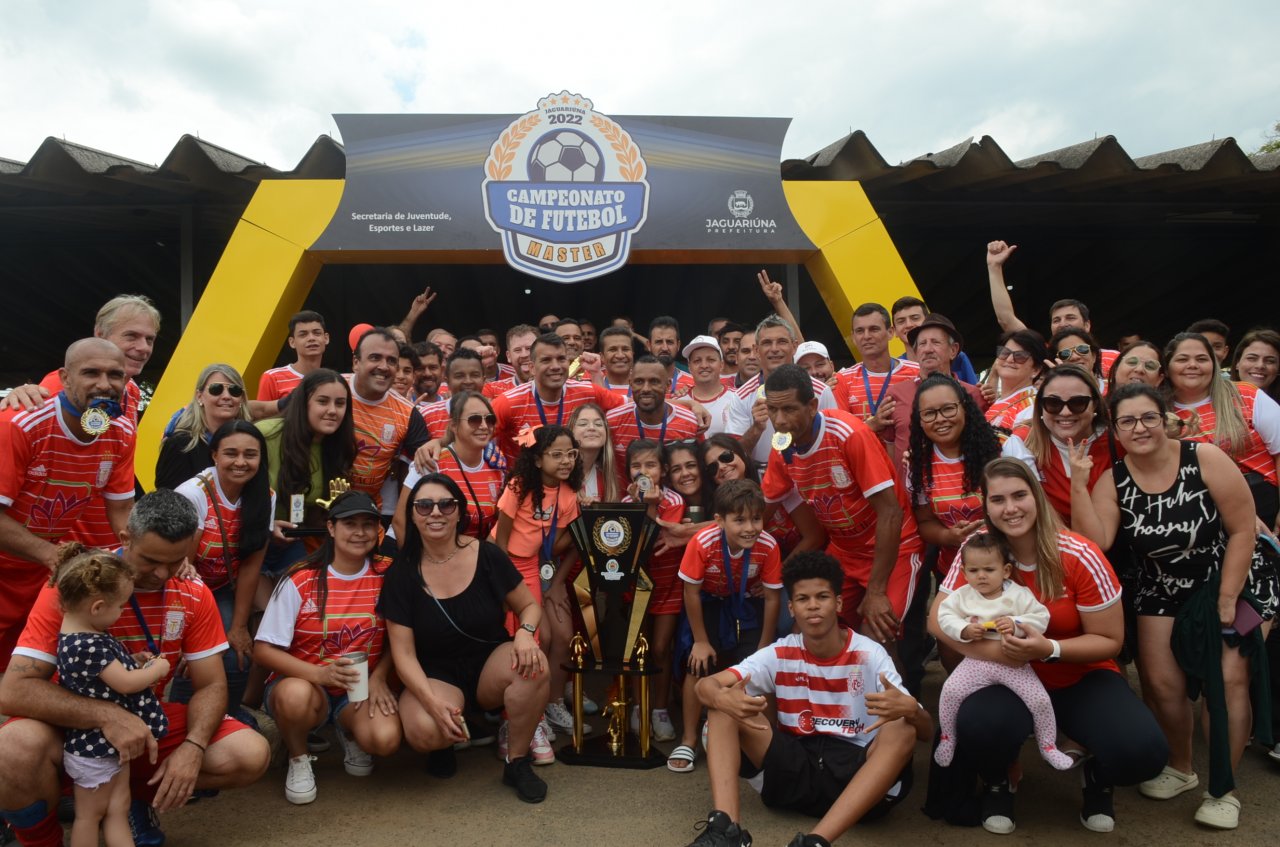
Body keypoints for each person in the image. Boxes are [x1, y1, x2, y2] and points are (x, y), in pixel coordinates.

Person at [0, 490, 270, 847]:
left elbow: (211, 685)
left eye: (175, 561)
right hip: (65, 729)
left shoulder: (192, 590)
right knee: (11, 749)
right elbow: (13, 691)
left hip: (143, 723)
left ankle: (131, 799)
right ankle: (41, 839)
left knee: (250, 753)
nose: (162, 574)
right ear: (125, 537)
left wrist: (193, 746)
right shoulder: (78, 584)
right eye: (151, 560)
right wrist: (104, 714)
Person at [1071, 383, 1278, 829]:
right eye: (1127, 421)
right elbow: (1097, 541)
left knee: (1227, 678)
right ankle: (1182, 768)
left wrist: (1227, 597)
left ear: (1165, 419)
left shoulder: (1203, 458)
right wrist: (1077, 480)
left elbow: (1244, 530)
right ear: (1116, 430)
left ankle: (1223, 787)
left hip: (1232, 579)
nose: (1139, 427)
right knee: (1162, 685)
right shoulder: (1114, 478)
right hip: (1160, 587)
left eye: (1148, 417)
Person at [925, 458, 1165, 835]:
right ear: (985, 505)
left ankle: (1097, 775)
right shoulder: (979, 549)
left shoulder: (1078, 552)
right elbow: (937, 619)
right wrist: (1002, 656)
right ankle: (998, 778)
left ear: (1037, 495)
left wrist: (1047, 649)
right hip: (1004, 678)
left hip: (1078, 676)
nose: (1010, 508)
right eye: (998, 499)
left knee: (1142, 753)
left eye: (1020, 495)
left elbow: (1110, 641)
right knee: (978, 725)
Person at [685, 551, 929, 847]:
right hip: (793, 769)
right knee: (722, 702)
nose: (813, 606)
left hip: (855, 775)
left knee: (902, 727)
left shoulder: (869, 654)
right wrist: (718, 696)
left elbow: (928, 731)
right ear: (792, 607)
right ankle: (726, 831)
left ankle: (815, 842)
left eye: (822, 596)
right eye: (802, 599)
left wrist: (912, 711)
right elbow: (706, 686)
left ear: (838, 603)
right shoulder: (780, 652)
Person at [380, 473, 551, 802]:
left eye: (446, 504)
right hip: (437, 674)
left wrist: (526, 634)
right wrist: (431, 704)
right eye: (424, 505)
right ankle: (443, 743)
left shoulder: (486, 554)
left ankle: (517, 761)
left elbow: (529, 606)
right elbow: (403, 656)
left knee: (535, 665)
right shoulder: (401, 573)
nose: (435, 513)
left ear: (459, 512)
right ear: (413, 515)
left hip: (489, 663)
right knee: (423, 731)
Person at [760, 365, 924, 647]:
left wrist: (875, 591)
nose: (779, 420)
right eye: (773, 410)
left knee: (875, 638)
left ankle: (898, 691)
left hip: (895, 550)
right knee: (807, 633)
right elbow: (763, 508)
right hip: (845, 552)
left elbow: (890, 512)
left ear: (812, 406)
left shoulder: (849, 434)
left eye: (788, 409)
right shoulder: (782, 447)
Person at [254, 491, 402, 804]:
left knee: (385, 740)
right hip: (306, 685)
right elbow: (264, 651)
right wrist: (321, 675)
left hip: (359, 689)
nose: (360, 532)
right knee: (294, 697)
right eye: (350, 523)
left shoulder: (388, 573)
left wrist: (379, 677)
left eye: (367, 524)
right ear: (331, 529)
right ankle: (298, 756)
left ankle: (348, 733)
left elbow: (401, 637)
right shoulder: (300, 577)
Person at [0, 338, 136, 670]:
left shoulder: (120, 430)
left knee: (23, 672)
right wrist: (54, 555)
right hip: (21, 563)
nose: (104, 384)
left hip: (39, 573)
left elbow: (121, 510)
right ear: (64, 377)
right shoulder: (19, 424)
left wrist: (141, 554)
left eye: (115, 375)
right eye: (91, 372)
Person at [51, 548, 169, 847]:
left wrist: (133, 659)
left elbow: (106, 672)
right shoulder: (87, 643)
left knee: (118, 809)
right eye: (120, 606)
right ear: (97, 606)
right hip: (94, 749)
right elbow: (126, 684)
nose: (122, 612)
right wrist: (158, 669)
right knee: (90, 815)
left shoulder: (82, 635)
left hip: (107, 745)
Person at [669, 479, 782, 776]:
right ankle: (689, 739)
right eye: (740, 520)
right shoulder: (703, 541)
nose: (750, 528)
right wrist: (701, 641)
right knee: (699, 665)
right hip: (707, 602)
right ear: (719, 520)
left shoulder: (768, 545)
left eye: (756, 519)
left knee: (759, 670)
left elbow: (772, 598)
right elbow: (690, 592)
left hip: (745, 604)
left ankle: (771, 740)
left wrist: (764, 647)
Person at [933, 533, 1072, 770]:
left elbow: (1041, 617)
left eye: (989, 569)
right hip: (975, 662)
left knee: (1039, 700)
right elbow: (944, 616)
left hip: (1013, 663)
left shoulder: (1018, 594)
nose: (982, 576)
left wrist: (1017, 624)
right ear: (964, 573)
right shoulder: (962, 595)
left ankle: (1048, 745)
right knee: (950, 691)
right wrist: (964, 630)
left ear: (1005, 570)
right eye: (974, 570)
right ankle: (948, 738)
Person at [173, 421, 275, 715]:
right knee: (195, 655)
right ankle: (181, 713)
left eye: (250, 455)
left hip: (222, 587)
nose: (241, 462)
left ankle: (228, 715)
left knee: (239, 649)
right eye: (231, 453)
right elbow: (182, 569)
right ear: (214, 455)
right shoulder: (193, 494)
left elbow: (251, 566)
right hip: (185, 588)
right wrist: (189, 632)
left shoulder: (265, 496)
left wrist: (239, 627)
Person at [495, 425, 583, 748]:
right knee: (517, 636)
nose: (566, 461)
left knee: (536, 636)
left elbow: (569, 541)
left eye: (571, 454)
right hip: (504, 565)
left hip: (533, 565)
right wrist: (503, 589)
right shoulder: (518, 487)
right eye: (556, 454)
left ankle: (539, 713)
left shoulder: (568, 494)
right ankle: (514, 720)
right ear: (536, 459)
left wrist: (557, 582)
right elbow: (500, 541)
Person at [1165, 332, 1280, 528]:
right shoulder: (1157, 411)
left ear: (1214, 365)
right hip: (1195, 513)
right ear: (1167, 368)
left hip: (1261, 502)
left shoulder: (1246, 394)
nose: (1193, 365)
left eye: (1202, 359)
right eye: (1182, 359)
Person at [622, 439, 686, 742]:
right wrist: (640, 504)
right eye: (637, 465)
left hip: (670, 582)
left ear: (662, 470)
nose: (643, 471)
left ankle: (659, 708)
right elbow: (630, 548)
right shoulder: (624, 504)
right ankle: (639, 706)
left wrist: (649, 505)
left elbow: (652, 541)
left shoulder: (674, 501)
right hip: (636, 586)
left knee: (660, 647)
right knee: (637, 647)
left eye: (650, 465)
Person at [906, 374, 1002, 574]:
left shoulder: (1002, 449)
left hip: (1006, 565)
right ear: (920, 420)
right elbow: (924, 522)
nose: (940, 419)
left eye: (948, 409)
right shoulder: (918, 463)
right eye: (929, 413)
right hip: (954, 570)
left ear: (965, 408)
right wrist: (947, 536)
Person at [985, 240, 1119, 376]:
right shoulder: (1045, 355)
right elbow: (1006, 319)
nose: (1063, 324)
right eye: (1056, 320)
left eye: (1070, 318)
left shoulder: (1115, 358)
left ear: (1087, 325)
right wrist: (994, 267)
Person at [490, 332, 624, 466]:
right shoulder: (509, 402)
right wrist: (488, 450)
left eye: (561, 359)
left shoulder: (588, 392)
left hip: (573, 481)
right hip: (525, 484)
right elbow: (476, 433)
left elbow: (629, 407)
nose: (555, 366)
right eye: (546, 360)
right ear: (532, 368)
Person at [1002, 364, 1112, 526]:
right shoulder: (1022, 443)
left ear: (1095, 404)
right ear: (1040, 407)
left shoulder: (1118, 439)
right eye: (1053, 403)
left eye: (1078, 402)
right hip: (1054, 543)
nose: (1065, 412)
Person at [394, 390, 506, 544]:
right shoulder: (431, 462)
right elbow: (400, 522)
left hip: (476, 558)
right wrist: (415, 564)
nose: (484, 426)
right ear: (454, 425)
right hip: (431, 557)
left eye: (490, 420)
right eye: (474, 420)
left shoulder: (496, 464)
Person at [725, 316, 837, 467]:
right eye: (767, 343)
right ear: (757, 350)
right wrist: (756, 428)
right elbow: (733, 456)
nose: (774, 349)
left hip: (810, 475)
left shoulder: (820, 391)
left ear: (795, 346)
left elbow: (834, 443)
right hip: (763, 481)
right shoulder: (741, 396)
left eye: (782, 341)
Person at [702, 433, 824, 562]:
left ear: (741, 453)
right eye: (712, 468)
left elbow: (814, 537)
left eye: (726, 457)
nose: (721, 467)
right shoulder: (719, 507)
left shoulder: (776, 479)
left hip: (807, 564)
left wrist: (780, 575)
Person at [883, 314, 987, 464]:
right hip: (909, 486)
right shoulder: (895, 394)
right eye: (922, 344)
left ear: (953, 350)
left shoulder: (975, 395)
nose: (927, 349)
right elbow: (891, 447)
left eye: (935, 342)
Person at [348, 328, 431, 508]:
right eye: (375, 357)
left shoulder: (407, 413)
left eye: (391, 361)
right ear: (356, 362)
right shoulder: (330, 389)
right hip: (316, 514)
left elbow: (428, 464)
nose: (384, 366)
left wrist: (439, 443)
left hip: (368, 514)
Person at [606, 355, 701, 485]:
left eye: (654, 381)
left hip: (674, 502)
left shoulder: (689, 422)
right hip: (626, 503)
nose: (646, 389)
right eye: (639, 381)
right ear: (630, 383)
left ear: (667, 385)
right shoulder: (612, 421)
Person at [155, 364, 250, 490]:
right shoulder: (180, 445)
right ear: (199, 396)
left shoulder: (252, 444)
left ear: (242, 399)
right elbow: (167, 502)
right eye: (216, 389)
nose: (227, 396)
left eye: (235, 390)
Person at [832, 303, 919, 431]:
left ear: (890, 332)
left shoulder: (917, 372)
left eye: (874, 329)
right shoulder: (842, 380)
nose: (866, 336)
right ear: (854, 338)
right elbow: (841, 435)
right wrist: (870, 426)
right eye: (860, 331)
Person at [889, 295, 979, 383]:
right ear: (895, 331)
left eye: (915, 318)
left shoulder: (957, 358)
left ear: (927, 322)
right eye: (901, 321)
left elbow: (974, 392)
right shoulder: (895, 367)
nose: (908, 325)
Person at [983, 329, 1050, 431]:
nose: (1009, 359)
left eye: (1020, 356)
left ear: (1036, 370)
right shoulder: (998, 401)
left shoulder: (1033, 406)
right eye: (1005, 353)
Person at [257, 311, 330, 402]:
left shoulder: (333, 380)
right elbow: (262, 413)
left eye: (317, 333)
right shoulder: (272, 378)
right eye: (303, 334)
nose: (311, 338)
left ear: (326, 338)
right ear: (292, 342)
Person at [569, 402, 620, 505]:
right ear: (570, 431)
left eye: (598, 424)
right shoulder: (561, 474)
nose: (592, 428)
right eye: (583, 424)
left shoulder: (606, 478)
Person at [684, 336, 733, 436]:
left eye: (710, 359)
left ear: (721, 365)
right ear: (689, 367)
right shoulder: (679, 401)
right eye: (697, 361)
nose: (704, 365)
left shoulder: (738, 398)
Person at [484, 324, 538, 397]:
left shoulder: (556, 386)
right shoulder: (492, 389)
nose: (524, 355)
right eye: (517, 350)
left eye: (529, 348)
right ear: (508, 356)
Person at [649, 316, 696, 397]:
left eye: (670, 342)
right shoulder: (635, 382)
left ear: (678, 345)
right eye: (659, 342)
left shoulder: (693, 384)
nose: (664, 348)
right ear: (649, 345)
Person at [1049, 326, 1105, 392]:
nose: (1075, 357)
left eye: (1081, 349)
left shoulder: (1114, 388)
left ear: (1093, 356)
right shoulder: (1052, 396)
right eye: (1065, 353)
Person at [1231, 328, 1280, 402]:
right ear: (1237, 362)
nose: (1260, 365)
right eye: (1251, 358)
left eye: (1270, 361)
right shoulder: (1215, 402)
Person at [598, 325, 637, 394]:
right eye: (613, 350)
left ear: (633, 353)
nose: (620, 355)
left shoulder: (645, 389)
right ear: (602, 357)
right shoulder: (592, 388)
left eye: (625, 349)